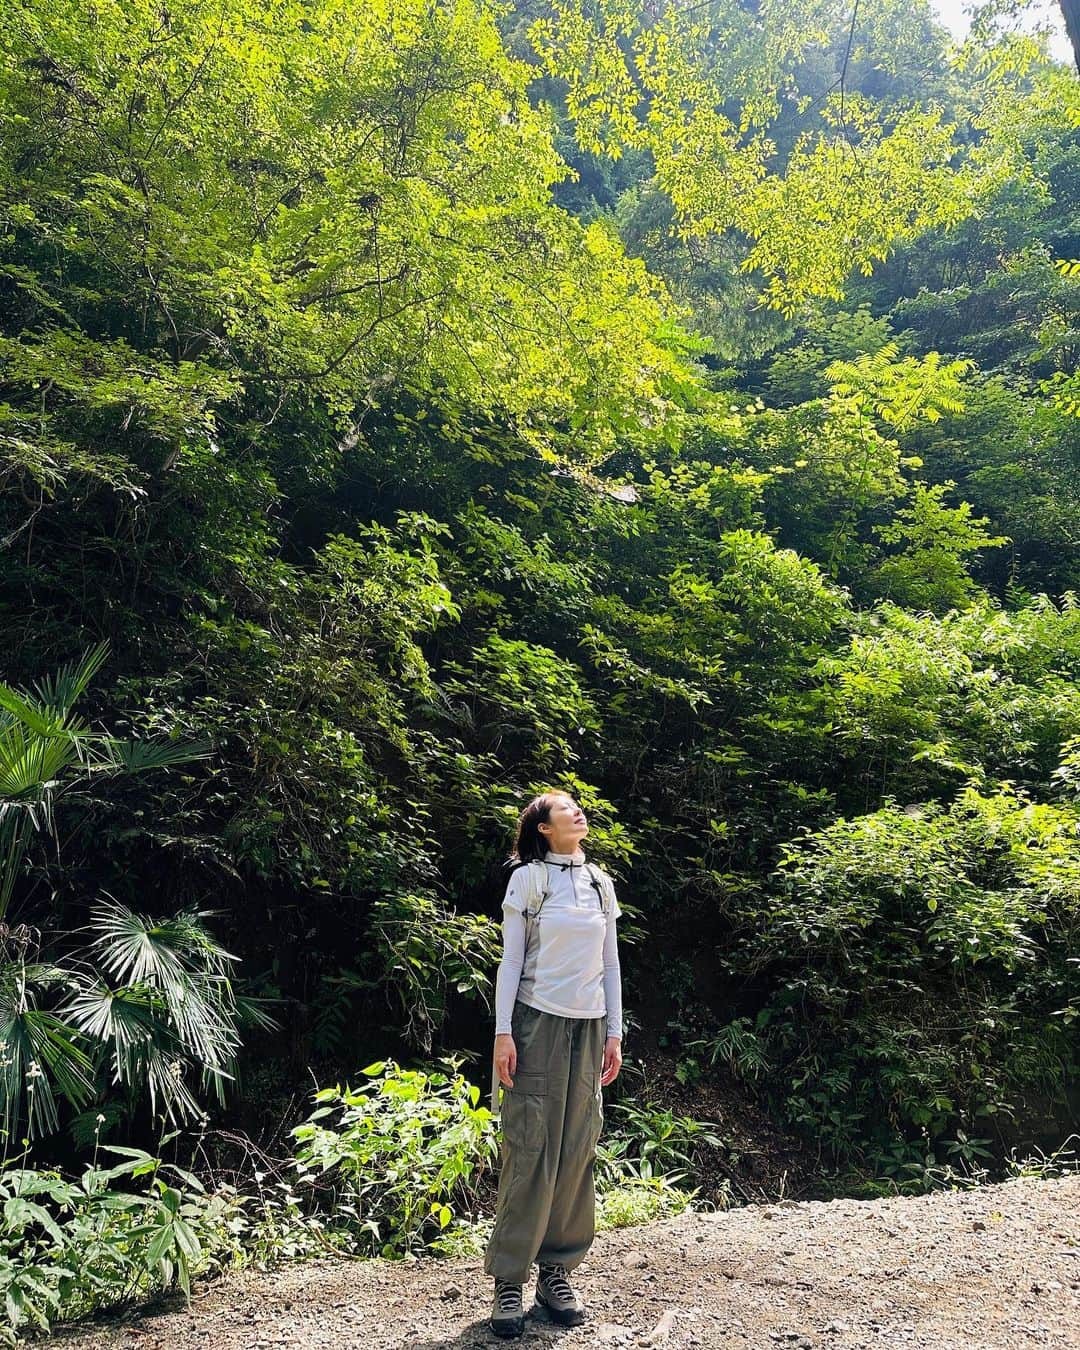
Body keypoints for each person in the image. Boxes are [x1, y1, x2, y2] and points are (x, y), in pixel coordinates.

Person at [483, 790, 624, 1338]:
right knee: (530, 1147)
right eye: (565, 807)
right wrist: (502, 1034)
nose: (577, 811)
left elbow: (610, 962)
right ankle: (510, 1281)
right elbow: (511, 960)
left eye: (578, 807)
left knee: (576, 1148)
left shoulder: (599, 884)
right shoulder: (528, 880)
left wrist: (614, 1030)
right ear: (543, 827)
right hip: (536, 1022)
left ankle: (556, 1273)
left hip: (589, 1029)